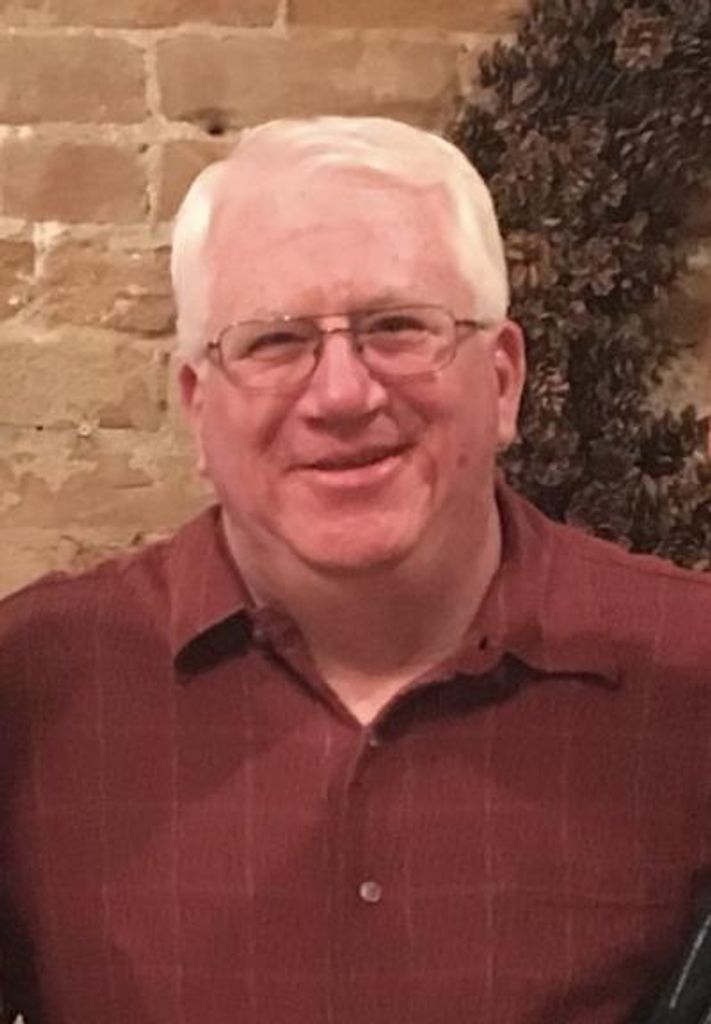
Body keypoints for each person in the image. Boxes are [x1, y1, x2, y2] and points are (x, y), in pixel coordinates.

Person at [0, 116, 710, 1024]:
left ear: (501, 379)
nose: (340, 394)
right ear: (197, 407)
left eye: (398, 327)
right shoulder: (32, 685)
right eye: (272, 342)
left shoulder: (689, 675)